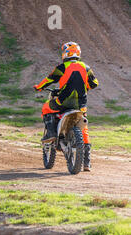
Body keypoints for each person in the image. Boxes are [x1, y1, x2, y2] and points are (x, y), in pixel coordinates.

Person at [33, 42, 99, 171]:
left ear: (65, 53)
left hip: (62, 103)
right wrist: (86, 87)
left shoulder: (62, 67)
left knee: (46, 107)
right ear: (78, 53)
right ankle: (86, 163)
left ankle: (51, 133)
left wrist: (39, 87)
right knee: (84, 130)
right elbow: (95, 83)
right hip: (81, 106)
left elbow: (49, 79)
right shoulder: (86, 67)